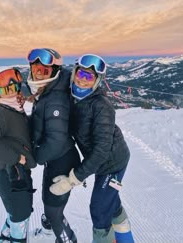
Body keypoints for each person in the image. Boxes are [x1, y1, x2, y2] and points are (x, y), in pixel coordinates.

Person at [50, 54, 135, 243]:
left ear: (97, 81)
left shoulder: (101, 107)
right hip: (101, 163)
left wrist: (73, 179)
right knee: (110, 203)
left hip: (113, 164)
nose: (82, 79)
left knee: (99, 209)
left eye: (89, 77)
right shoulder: (72, 93)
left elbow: (101, 151)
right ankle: (126, 238)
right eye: (80, 73)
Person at [26, 48, 81, 243]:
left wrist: (34, 157)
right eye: (36, 68)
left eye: (45, 69)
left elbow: (56, 141)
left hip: (62, 160)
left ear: (55, 71)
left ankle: (68, 239)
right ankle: (49, 231)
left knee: (53, 210)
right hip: (56, 159)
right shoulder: (49, 90)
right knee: (49, 201)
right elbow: (42, 122)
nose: (39, 72)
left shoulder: (55, 99)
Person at [0, 67, 36, 243]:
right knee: (21, 217)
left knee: (16, 213)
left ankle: (4, 239)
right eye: (7, 89)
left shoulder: (12, 108)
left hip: (16, 174)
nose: (13, 92)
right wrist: (17, 158)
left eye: (16, 87)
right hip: (9, 175)